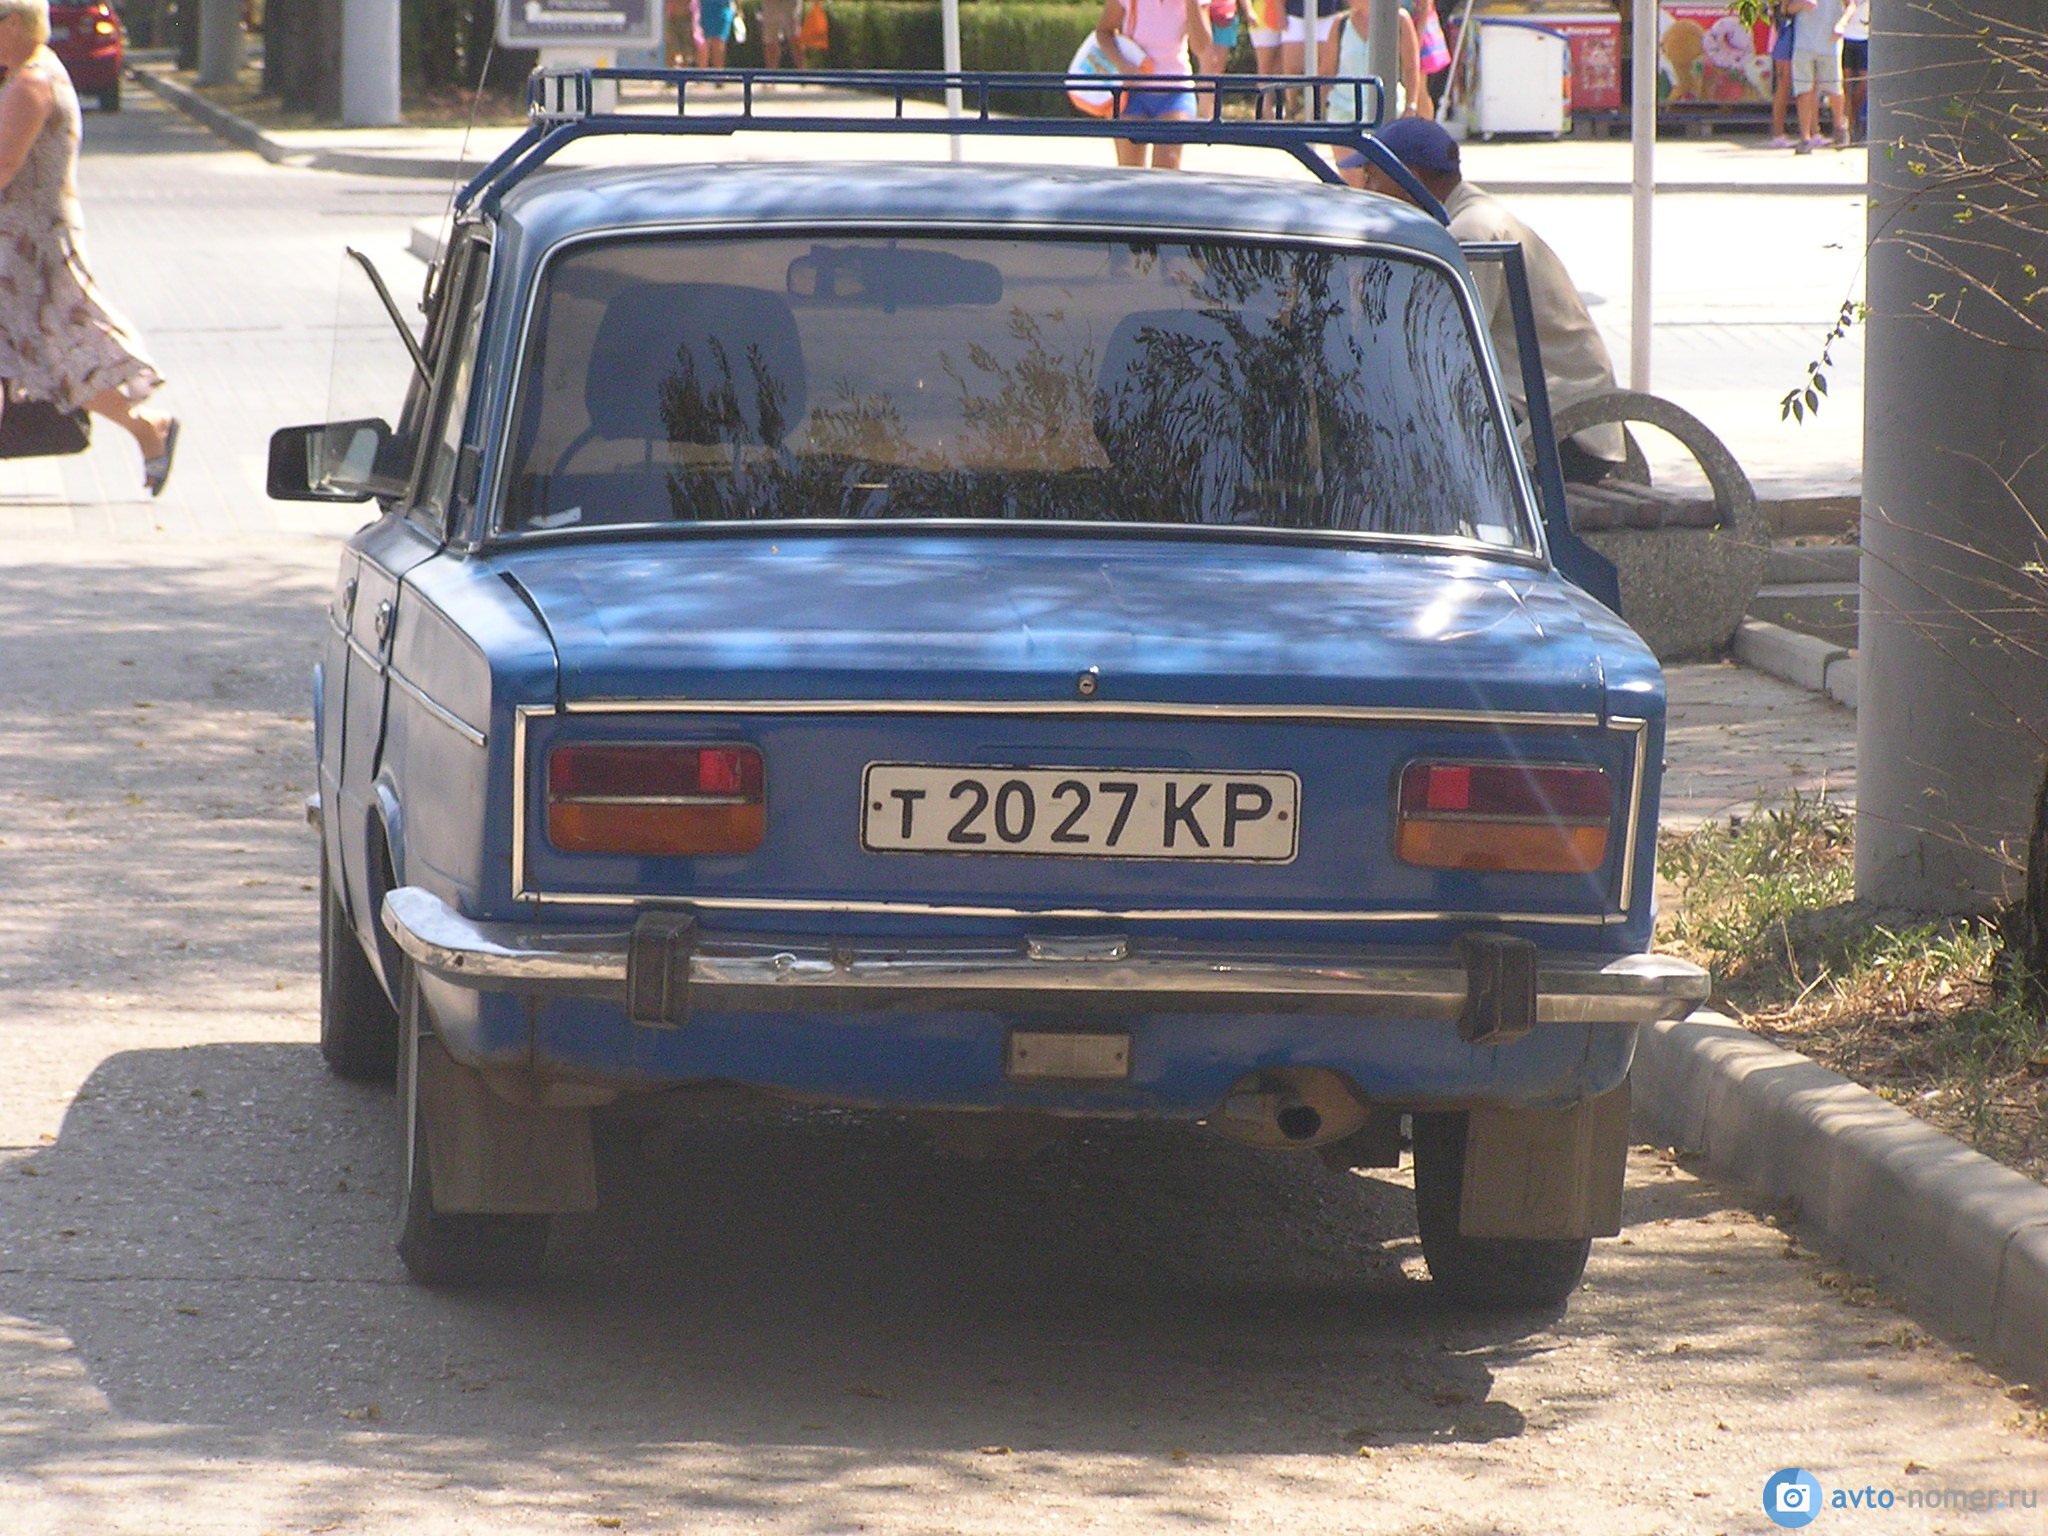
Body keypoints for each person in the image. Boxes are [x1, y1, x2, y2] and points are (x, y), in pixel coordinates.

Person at [1358, 118, 1626, 484]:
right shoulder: (1461, 217)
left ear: (1411, 177)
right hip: (1541, 416)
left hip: (1563, 435)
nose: (1366, 188)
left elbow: (1448, 349)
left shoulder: (1472, 231)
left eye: (1373, 176)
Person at [0, 0, 173, 493]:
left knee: (48, 357)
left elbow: (4, 164)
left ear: (13, 24)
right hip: (28, 238)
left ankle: (149, 427)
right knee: (47, 357)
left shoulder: (31, 82)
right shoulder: (33, 70)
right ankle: (148, 428)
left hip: (22, 246)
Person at [1095, 0, 1214, 170]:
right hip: (1132, 91)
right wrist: (1122, 64)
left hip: (1175, 90)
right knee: (1129, 173)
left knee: (1166, 171)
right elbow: (1103, 32)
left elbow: (1201, 47)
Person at [1322, 0, 1430, 131]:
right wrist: (1316, 108)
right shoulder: (1340, 23)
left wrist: (1410, 106)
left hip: (1387, 110)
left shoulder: (1399, 20)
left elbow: (1411, 68)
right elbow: (1327, 71)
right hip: (1343, 111)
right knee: (1351, 152)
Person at [1784, 0, 1847, 151]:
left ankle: (1840, 127)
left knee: (1835, 88)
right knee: (1803, 89)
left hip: (1830, 42)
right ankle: (1805, 138)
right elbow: (1785, 9)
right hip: (1804, 43)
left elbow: (1851, 5)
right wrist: (1801, 4)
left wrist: (1842, 24)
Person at [1838, 0, 1870, 143]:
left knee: (1865, 82)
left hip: (1864, 35)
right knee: (1845, 84)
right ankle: (1850, 127)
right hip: (1846, 36)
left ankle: (1853, 114)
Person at [1768, 3, 1798, 147]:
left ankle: (1812, 132)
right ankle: (1778, 134)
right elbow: (1783, 9)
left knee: (1804, 84)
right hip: (1786, 31)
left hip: (1797, 31)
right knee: (1784, 84)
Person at [697, 0, 734, 68]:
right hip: (704, 11)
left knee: (719, 44)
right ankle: (702, 75)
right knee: (703, 45)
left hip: (721, 11)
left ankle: (719, 75)